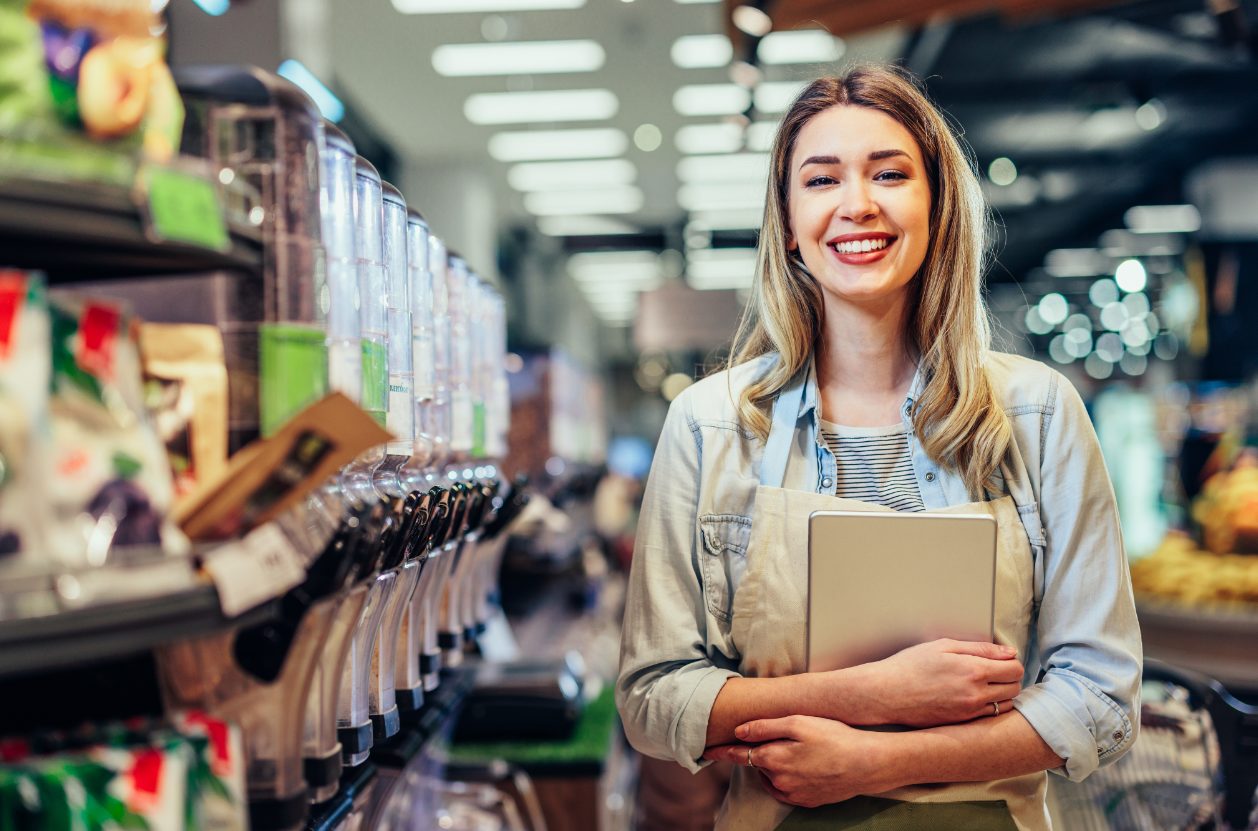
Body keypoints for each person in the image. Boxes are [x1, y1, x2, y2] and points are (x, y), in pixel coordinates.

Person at [615, 64, 1142, 830]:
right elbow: (653, 695)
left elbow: (1100, 696)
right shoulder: (709, 424)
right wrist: (873, 695)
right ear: (789, 225)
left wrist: (876, 761)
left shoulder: (1037, 414)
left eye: (889, 173)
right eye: (821, 179)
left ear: (937, 205)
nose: (856, 204)